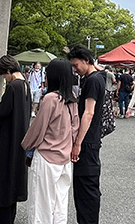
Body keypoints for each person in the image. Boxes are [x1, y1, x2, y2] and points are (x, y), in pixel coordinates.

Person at [21, 58, 80, 224]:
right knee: (60, 204)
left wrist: (25, 145)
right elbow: (75, 127)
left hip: (47, 156)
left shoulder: (50, 98)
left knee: (41, 206)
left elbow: (38, 129)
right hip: (65, 157)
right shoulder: (72, 97)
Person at [0, 55, 32, 224]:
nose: (4, 78)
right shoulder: (25, 84)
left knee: (2, 177)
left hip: (7, 138)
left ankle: (2, 219)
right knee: (13, 179)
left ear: (8, 70)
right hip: (20, 136)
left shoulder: (13, 86)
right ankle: (9, 218)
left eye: (4, 75)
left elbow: (3, 111)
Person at [67, 45, 105, 224]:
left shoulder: (92, 81)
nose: (75, 70)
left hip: (87, 142)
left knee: (85, 189)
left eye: (76, 65)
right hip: (93, 140)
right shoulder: (98, 77)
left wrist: (77, 143)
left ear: (86, 60)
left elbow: (88, 113)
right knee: (88, 187)